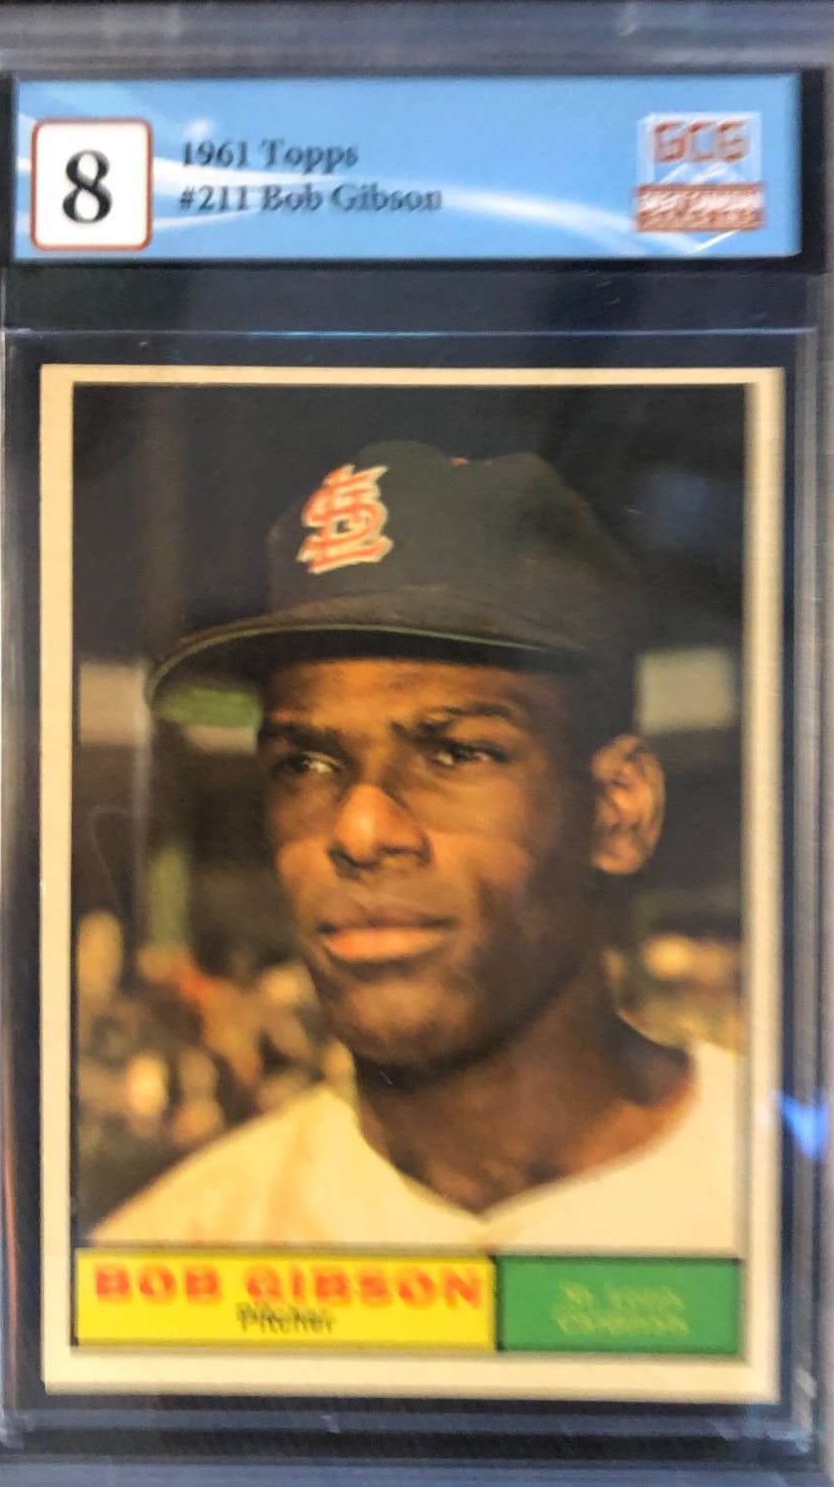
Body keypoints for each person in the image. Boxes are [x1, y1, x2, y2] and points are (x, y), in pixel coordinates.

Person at [93, 441, 738, 1252]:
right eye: (306, 764)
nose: (359, 831)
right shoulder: (185, 1250)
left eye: (458, 753)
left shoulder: (809, 1208)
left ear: (618, 810)